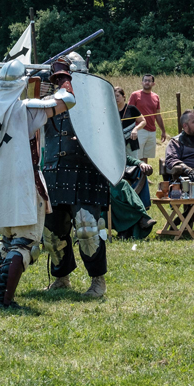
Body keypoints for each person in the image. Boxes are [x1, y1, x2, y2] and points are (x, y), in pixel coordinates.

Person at [43, 55, 153, 298]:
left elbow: (107, 135)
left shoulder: (95, 103)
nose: (62, 81)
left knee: (87, 228)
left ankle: (97, 281)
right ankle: (61, 277)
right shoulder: (47, 102)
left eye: (65, 77)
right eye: (58, 77)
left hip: (86, 172)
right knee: (52, 232)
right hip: (55, 171)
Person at [0, 59, 73, 309]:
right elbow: (68, 100)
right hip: (23, 185)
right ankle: (3, 299)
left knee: (8, 242)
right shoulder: (26, 110)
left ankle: (1, 295)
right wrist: (62, 75)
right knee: (25, 242)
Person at [128, 74, 161, 163]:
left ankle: (144, 172)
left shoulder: (156, 97)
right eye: (145, 80)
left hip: (152, 130)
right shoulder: (135, 95)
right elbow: (129, 112)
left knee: (146, 156)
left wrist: (163, 131)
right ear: (142, 82)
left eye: (149, 81)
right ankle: (136, 172)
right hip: (139, 129)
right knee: (137, 155)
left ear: (153, 84)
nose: (147, 82)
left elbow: (158, 115)